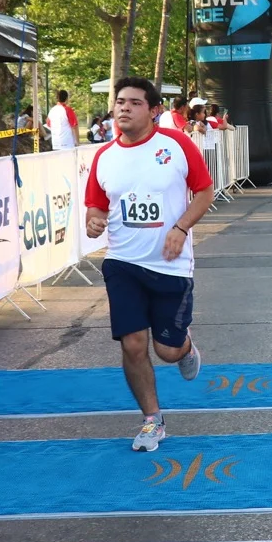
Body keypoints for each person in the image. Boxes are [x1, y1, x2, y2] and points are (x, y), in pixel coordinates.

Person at [83, 77, 215, 452]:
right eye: (120, 102)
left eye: (134, 102)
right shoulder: (104, 156)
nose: (124, 108)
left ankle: (185, 348)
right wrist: (93, 222)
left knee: (166, 351)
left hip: (170, 265)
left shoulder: (176, 145)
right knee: (133, 344)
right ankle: (152, 420)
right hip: (122, 262)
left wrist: (181, 228)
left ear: (155, 110)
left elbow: (205, 191)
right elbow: (96, 207)